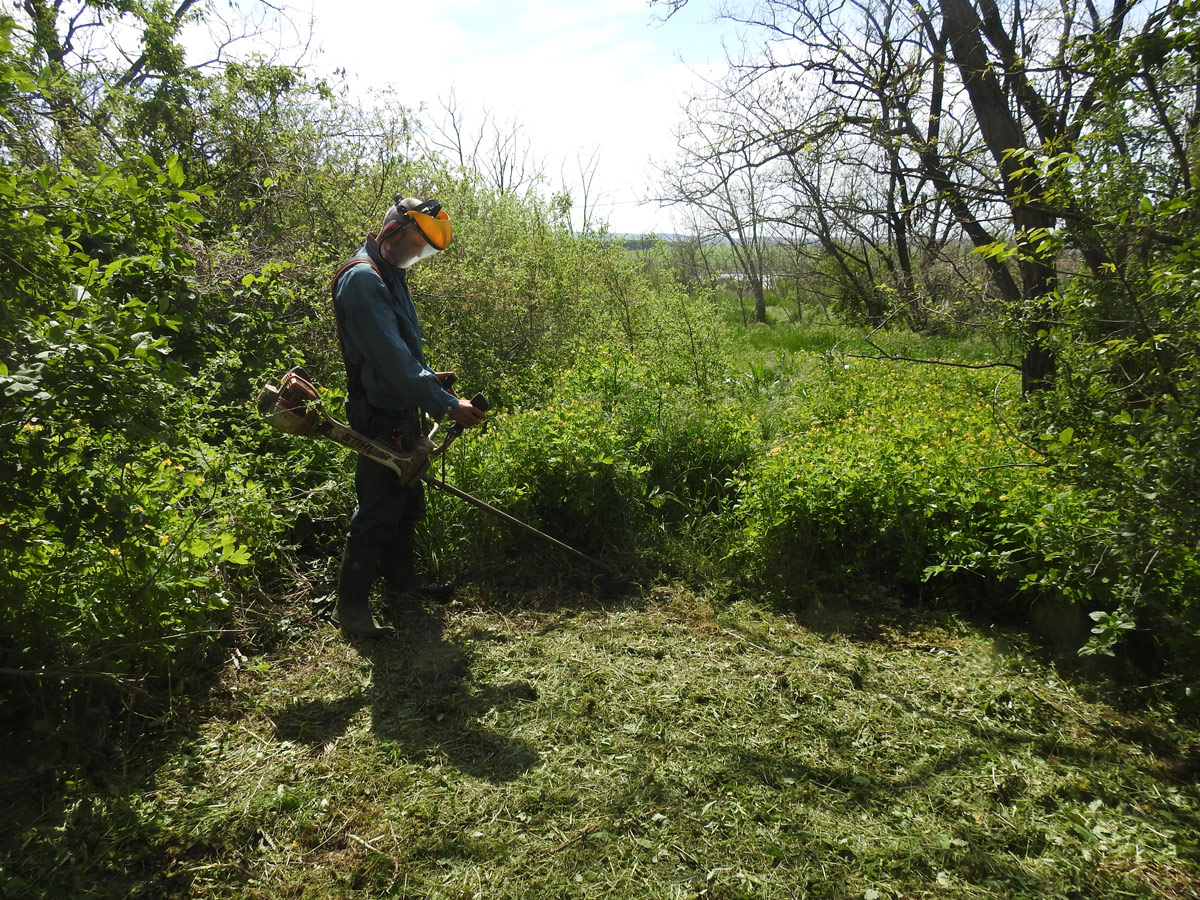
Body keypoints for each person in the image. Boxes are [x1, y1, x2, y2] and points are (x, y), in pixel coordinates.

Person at [330, 195, 486, 638]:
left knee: (405, 504)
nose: (419, 255)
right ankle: (352, 611)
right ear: (393, 232)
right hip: (377, 414)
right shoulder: (362, 279)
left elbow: (397, 353)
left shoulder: (391, 274)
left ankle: (404, 587)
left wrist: (431, 383)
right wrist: (446, 403)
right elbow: (394, 361)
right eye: (417, 245)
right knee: (377, 511)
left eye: (425, 250)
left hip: (401, 407)